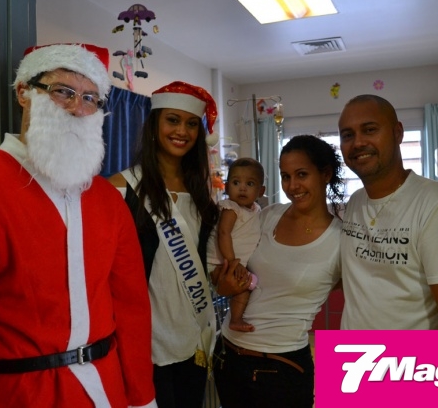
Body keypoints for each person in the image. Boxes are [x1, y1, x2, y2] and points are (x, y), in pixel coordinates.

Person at [0, 43, 156, 407]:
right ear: (24, 92)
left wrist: (141, 396)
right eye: (63, 91)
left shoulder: (108, 200)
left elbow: (131, 308)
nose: (78, 108)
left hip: (107, 389)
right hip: (21, 395)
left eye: (90, 98)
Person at [108, 81, 220, 408]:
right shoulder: (121, 187)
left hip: (192, 338)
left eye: (191, 124)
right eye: (173, 120)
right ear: (155, 124)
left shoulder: (200, 193)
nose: (182, 131)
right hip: (145, 343)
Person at [212, 134, 344, 408]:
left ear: (325, 174)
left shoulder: (342, 238)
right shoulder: (266, 215)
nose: (292, 186)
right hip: (228, 358)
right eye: (285, 176)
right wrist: (224, 284)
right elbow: (225, 267)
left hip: (281, 367)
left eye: (302, 174)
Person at [337, 94, 438, 330]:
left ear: (398, 133)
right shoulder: (356, 202)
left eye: (370, 130)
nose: (358, 143)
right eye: (347, 135)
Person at [207, 157, 265, 332]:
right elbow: (223, 233)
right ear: (226, 187)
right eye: (236, 182)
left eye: (250, 183)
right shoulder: (231, 208)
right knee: (243, 288)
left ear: (261, 191)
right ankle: (236, 319)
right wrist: (233, 261)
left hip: (234, 264)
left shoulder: (256, 211)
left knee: (245, 288)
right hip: (219, 262)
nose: (242, 188)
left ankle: (236, 319)